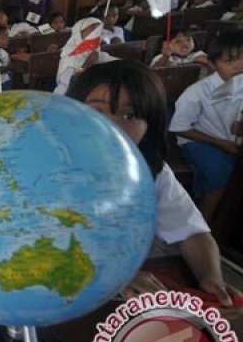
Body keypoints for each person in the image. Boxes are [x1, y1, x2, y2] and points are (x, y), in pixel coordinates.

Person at [67, 60, 240, 307]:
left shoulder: (150, 172)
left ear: (149, 127)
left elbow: (191, 231)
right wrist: (107, 277)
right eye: (97, 112)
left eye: (129, 115)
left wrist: (211, 278)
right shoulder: (41, 169)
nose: (112, 127)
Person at [169, 30, 243, 220]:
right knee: (221, 175)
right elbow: (179, 127)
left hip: (230, 138)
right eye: (229, 61)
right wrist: (221, 143)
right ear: (212, 64)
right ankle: (205, 222)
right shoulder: (197, 92)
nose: (239, 65)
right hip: (198, 140)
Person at [53, 17, 116, 95]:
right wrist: (87, 64)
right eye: (92, 29)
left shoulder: (97, 53)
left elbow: (115, 63)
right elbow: (72, 82)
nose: (95, 33)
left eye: (98, 30)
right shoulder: (71, 56)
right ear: (79, 33)